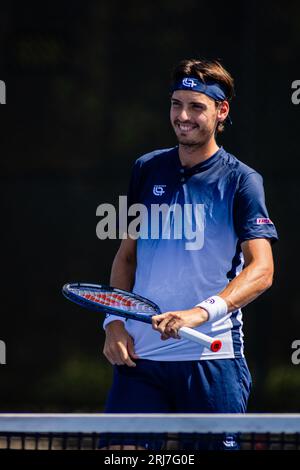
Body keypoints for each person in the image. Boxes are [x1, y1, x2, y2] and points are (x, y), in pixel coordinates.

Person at [101, 58, 278, 450]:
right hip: (140, 362)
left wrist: (199, 313)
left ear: (221, 111)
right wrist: (114, 322)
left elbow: (262, 270)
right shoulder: (146, 169)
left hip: (212, 360)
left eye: (196, 106)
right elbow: (126, 256)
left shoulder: (242, 181)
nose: (183, 116)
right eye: (176, 104)